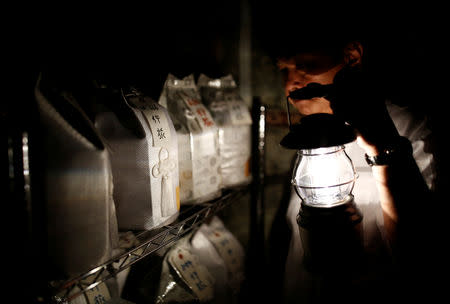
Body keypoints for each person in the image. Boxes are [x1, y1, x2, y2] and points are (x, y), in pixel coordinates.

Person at [252, 4, 446, 304]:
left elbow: (426, 256)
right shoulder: (309, 144)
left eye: (305, 65)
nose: (292, 83)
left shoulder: (410, 131)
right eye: (285, 70)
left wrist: (383, 147)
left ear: (351, 57)